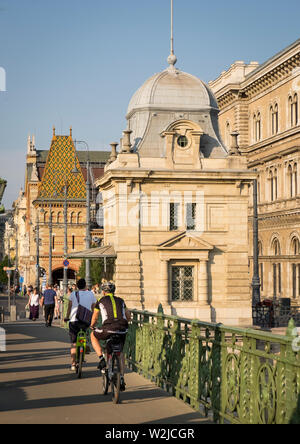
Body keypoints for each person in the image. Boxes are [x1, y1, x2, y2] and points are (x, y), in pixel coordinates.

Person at [90, 281, 131, 392]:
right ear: (114, 291)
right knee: (120, 353)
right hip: (122, 329)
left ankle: (101, 359)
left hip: (107, 329)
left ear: (103, 292)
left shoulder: (100, 301)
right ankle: (122, 377)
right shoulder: (121, 301)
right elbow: (128, 316)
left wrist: (92, 326)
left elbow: (94, 317)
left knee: (93, 336)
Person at [64, 278, 96, 371]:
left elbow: (69, 307)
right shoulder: (91, 294)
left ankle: (73, 364)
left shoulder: (73, 294)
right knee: (85, 332)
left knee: (73, 343)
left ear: (77, 286)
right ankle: (84, 345)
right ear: (86, 285)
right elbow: (94, 307)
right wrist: (94, 319)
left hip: (74, 320)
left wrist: (67, 317)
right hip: (86, 321)